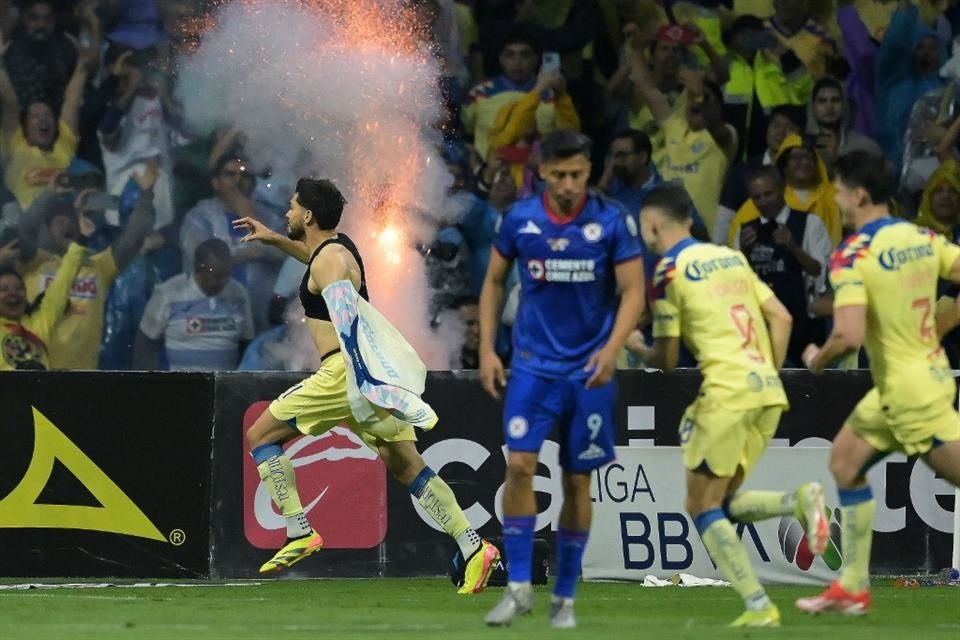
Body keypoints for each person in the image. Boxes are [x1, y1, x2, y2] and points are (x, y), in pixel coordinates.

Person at [231, 178, 499, 592]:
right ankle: (473, 545)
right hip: (359, 377)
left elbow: (347, 323)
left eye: (290, 207)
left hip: (344, 375)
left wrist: (364, 381)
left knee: (260, 434)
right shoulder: (335, 251)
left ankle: (299, 530)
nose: (285, 213)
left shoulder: (330, 261)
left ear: (308, 215)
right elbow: (317, 265)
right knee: (406, 464)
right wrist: (273, 240)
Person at [626, 183, 828, 628]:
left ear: (652, 224)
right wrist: (768, 373)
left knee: (700, 507)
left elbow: (667, 358)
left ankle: (760, 606)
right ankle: (798, 500)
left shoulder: (668, 271)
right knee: (724, 501)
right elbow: (783, 317)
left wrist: (634, 345)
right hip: (766, 391)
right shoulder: (731, 258)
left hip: (725, 392)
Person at [478, 130, 645, 629]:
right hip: (532, 366)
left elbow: (634, 292)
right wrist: (488, 349)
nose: (569, 183)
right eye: (559, 175)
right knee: (521, 468)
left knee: (577, 481)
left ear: (588, 171)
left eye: (577, 174)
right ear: (543, 173)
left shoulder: (612, 220)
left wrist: (613, 350)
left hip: (589, 372)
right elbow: (491, 282)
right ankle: (519, 586)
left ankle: (565, 598)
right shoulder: (520, 219)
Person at [797, 151, 960, 615]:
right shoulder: (925, 237)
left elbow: (847, 335)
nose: (835, 197)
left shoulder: (853, 254)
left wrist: (816, 358)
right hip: (910, 382)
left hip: (912, 394)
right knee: (845, 461)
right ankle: (852, 585)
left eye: (840, 189)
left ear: (859, 195)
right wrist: (941, 328)